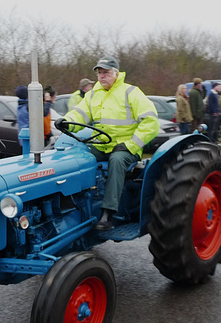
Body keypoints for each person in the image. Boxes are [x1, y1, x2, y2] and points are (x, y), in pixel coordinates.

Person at [57, 56, 159, 231]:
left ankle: (108, 214)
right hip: (102, 145)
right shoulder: (92, 95)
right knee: (74, 156)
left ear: (116, 73)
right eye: (99, 73)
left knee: (117, 160)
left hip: (126, 148)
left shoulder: (131, 92)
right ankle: (70, 204)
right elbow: (79, 114)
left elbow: (151, 122)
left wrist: (131, 145)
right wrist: (66, 121)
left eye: (106, 73)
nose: (102, 76)